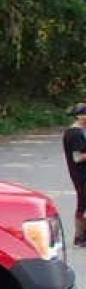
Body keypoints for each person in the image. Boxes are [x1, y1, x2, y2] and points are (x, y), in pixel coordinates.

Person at [62, 102, 86, 246]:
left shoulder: (76, 132)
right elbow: (77, 157)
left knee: (83, 205)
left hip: (80, 174)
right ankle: (80, 237)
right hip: (81, 175)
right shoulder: (75, 134)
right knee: (83, 205)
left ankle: (81, 236)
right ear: (81, 117)